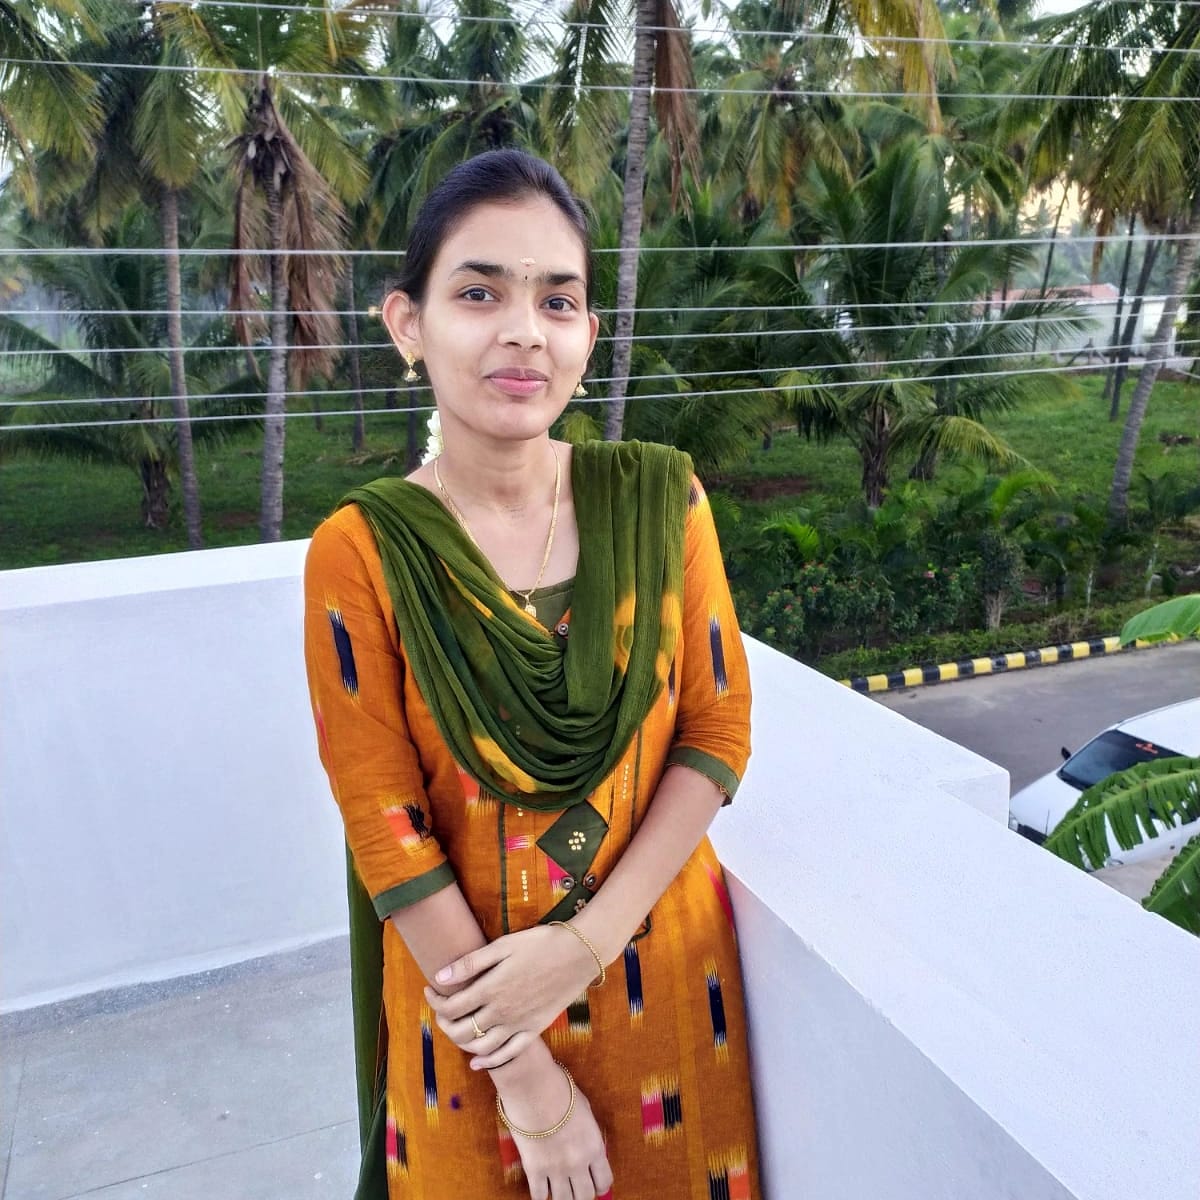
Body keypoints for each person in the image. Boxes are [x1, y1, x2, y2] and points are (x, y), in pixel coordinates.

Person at [303, 149, 760, 1200]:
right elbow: (385, 826)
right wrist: (526, 1080)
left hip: (664, 992)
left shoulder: (663, 505)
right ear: (407, 324)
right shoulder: (362, 553)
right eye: (479, 294)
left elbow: (717, 730)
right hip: (470, 1038)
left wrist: (585, 946)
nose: (523, 331)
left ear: (588, 335)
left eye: (557, 300)